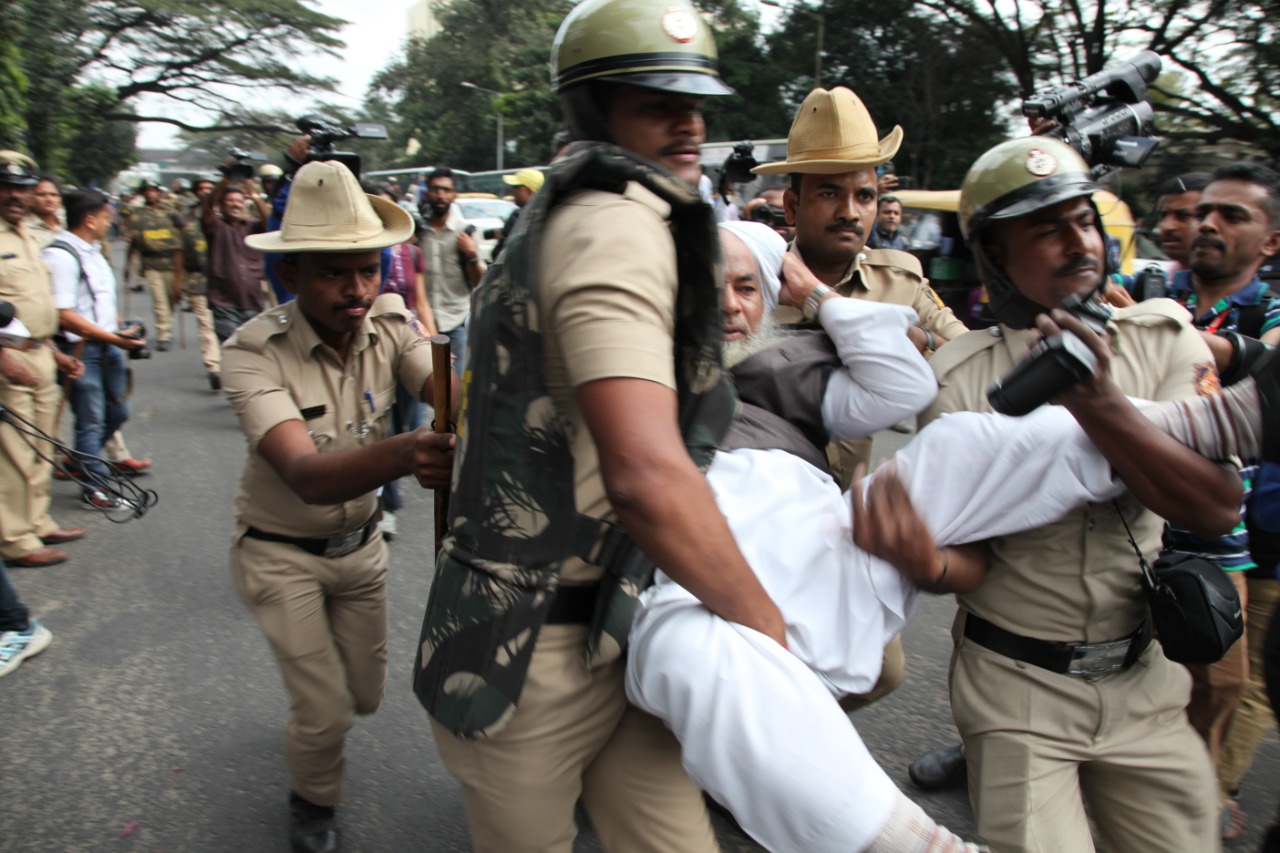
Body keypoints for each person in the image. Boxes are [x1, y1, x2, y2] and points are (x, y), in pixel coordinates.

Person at [412, 2, 787, 850]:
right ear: (593, 108)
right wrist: (768, 628)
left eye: (696, 100)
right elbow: (647, 474)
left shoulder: (582, 207)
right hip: (531, 655)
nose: (690, 121)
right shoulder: (617, 223)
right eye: (657, 101)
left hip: (618, 623)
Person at [910, 135, 1240, 852]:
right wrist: (923, 561)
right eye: (1046, 227)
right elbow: (958, 557)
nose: (1077, 241)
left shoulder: (1163, 339)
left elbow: (1215, 506)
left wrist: (1097, 402)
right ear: (996, 254)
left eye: (1083, 219)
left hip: (1148, 683)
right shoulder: (962, 384)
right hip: (1015, 688)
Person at [221, 158, 454, 853]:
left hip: (362, 553)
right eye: (331, 272)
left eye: (366, 268)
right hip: (279, 552)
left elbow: (445, 391)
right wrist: (410, 451)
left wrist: (474, 400)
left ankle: (312, 725)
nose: (355, 289)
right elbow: (307, 475)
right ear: (291, 275)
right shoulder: (251, 353)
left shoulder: (388, 320)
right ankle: (312, 804)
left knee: (365, 696)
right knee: (324, 714)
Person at [752, 86, 969, 489]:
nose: (850, 212)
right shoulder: (751, 286)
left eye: (864, 195)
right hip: (768, 509)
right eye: (830, 193)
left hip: (849, 512)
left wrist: (916, 339)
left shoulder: (899, 279)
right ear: (792, 207)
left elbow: (970, 358)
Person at [0, 150, 86, 567]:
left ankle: (37, 521)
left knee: (39, 448)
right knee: (14, 453)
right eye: (7, 187)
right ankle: (16, 540)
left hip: (40, 352)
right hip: (8, 359)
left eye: (21, 188)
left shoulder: (28, 235)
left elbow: (32, 305)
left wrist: (52, 350)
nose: (15, 195)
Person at [45, 190, 148, 510]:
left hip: (106, 345)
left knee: (118, 412)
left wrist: (120, 328)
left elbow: (98, 300)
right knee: (90, 420)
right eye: (106, 216)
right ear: (90, 219)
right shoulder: (61, 255)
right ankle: (95, 486)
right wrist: (113, 338)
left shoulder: (93, 251)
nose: (111, 221)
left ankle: (82, 461)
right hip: (80, 349)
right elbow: (64, 314)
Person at [201, 168, 269, 388]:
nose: (235, 205)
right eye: (230, 201)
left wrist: (255, 195)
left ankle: (247, 386)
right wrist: (225, 180)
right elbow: (208, 208)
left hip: (252, 301)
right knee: (234, 349)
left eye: (239, 201)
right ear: (223, 204)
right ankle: (242, 388)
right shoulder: (216, 226)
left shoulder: (254, 227)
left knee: (256, 350)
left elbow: (271, 220)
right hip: (224, 302)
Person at [418, 166, 483, 369]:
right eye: (435, 189)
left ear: (454, 195)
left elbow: (480, 283)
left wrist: (471, 255)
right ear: (427, 193)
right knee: (428, 391)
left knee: (456, 391)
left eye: (446, 190)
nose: (440, 195)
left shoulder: (466, 233)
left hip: (456, 322)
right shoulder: (419, 233)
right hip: (422, 325)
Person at [125, 180, 184, 351]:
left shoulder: (171, 213)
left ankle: (167, 323)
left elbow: (183, 237)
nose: (150, 194)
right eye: (147, 191)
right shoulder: (137, 215)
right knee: (159, 301)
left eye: (153, 190)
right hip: (151, 263)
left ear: (159, 192)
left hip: (172, 262)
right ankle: (163, 333)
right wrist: (128, 266)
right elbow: (134, 241)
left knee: (171, 299)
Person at [177, 177, 220, 389]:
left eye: (209, 189)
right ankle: (214, 366)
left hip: (225, 280)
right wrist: (178, 282)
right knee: (206, 325)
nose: (205, 192)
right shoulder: (186, 220)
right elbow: (180, 252)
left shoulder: (228, 217)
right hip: (198, 279)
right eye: (201, 189)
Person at [494, 168, 543, 260]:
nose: (513, 191)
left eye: (516, 187)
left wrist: (500, 240)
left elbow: (499, 256)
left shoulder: (518, 216)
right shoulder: (547, 214)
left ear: (529, 190)